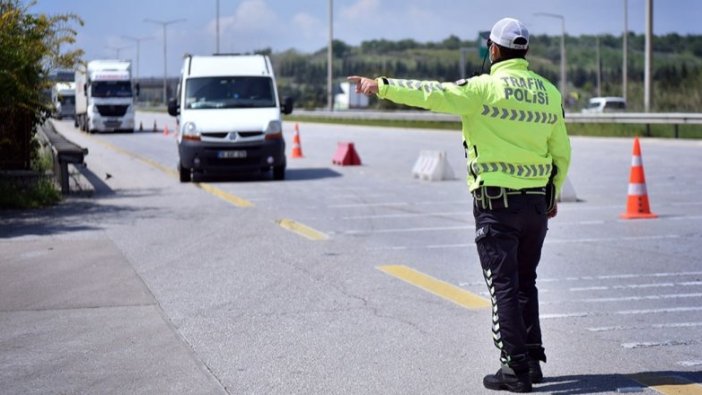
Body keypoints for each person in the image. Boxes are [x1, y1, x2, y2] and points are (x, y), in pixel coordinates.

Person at [348, 17, 571, 393]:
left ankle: (514, 369)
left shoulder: (482, 89)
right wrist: (553, 192)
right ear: (526, 51)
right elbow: (561, 151)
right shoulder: (548, 91)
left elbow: (431, 93)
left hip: (496, 206)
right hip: (536, 205)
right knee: (525, 282)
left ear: (493, 50)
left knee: (502, 285)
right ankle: (531, 360)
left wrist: (381, 86)